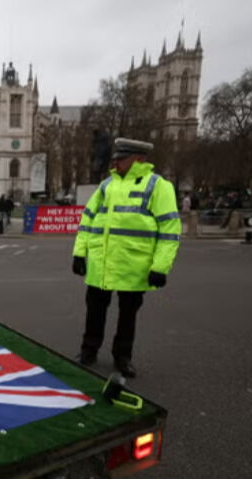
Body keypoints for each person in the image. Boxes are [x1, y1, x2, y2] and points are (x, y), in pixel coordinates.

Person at [72, 138, 180, 378]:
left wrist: (160, 267)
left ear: (139, 159)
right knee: (94, 312)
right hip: (101, 264)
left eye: (121, 158)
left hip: (134, 265)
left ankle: (123, 357)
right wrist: (79, 253)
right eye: (116, 158)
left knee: (128, 316)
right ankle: (88, 351)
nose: (116, 162)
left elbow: (169, 229)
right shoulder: (106, 186)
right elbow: (87, 220)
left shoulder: (158, 186)